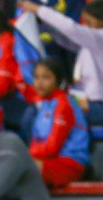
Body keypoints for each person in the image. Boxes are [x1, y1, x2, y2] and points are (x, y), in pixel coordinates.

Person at [21, 0, 103, 127]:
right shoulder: (90, 44)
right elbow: (66, 39)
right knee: (36, 110)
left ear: (102, 21)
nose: (85, 26)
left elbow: (71, 28)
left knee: (46, 112)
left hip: (99, 108)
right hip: (85, 103)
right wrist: (44, 25)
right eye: (84, 22)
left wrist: (38, 9)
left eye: (88, 21)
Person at [27, 57, 89, 188]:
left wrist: (26, 154)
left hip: (69, 163)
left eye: (46, 77)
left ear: (58, 80)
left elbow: (52, 147)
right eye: (36, 77)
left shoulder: (63, 104)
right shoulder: (44, 104)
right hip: (49, 161)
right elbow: (36, 140)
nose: (39, 83)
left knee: (21, 169)